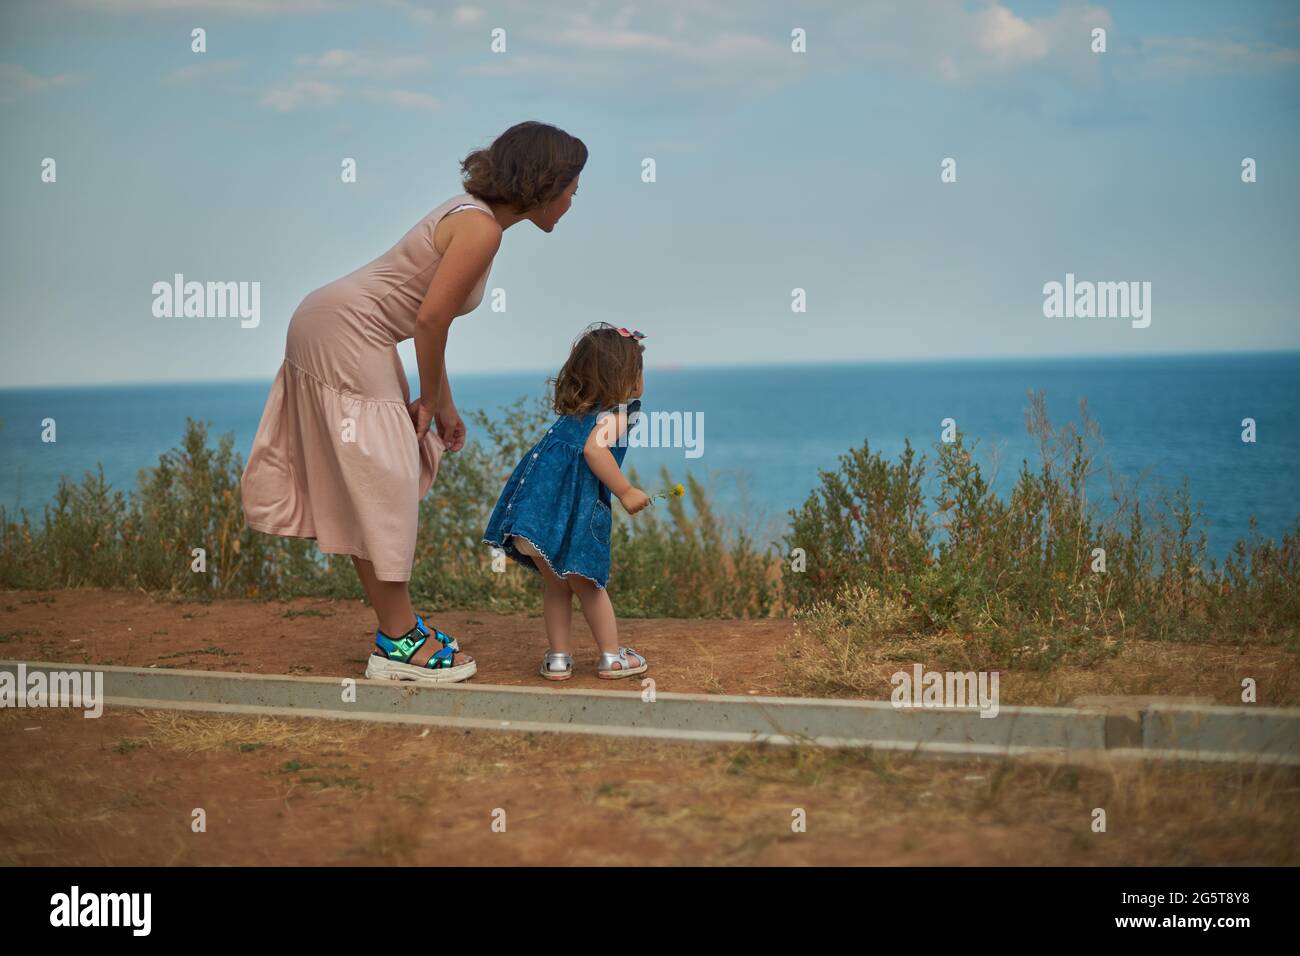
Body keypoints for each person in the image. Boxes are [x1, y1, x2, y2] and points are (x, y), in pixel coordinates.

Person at [241, 121, 587, 684]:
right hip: (347, 333)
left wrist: (441, 402)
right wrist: (429, 394)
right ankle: (399, 643)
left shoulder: (471, 216)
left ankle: (397, 631)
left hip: (342, 326)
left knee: (373, 479)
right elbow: (428, 322)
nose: (574, 198)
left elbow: (429, 323)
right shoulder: (481, 231)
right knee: (384, 478)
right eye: (572, 185)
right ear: (545, 184)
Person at [482, 323, 651, 681]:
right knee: (589, 586)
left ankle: (559, 658)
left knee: (557, 586)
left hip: (533, 520)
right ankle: (611, 657)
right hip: (569, 520)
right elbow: (595, 451)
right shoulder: (616, 415)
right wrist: (625, 491)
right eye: (639, 370)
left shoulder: (572, 417)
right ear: (626, 378)